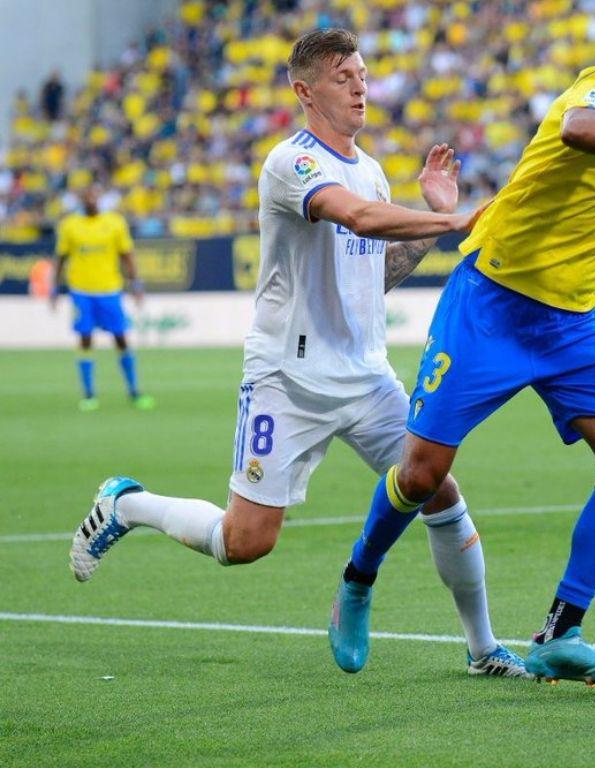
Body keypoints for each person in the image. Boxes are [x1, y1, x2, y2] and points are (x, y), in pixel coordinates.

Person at [69, 28, 528, 679]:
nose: (361, 85)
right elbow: (359, 219)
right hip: (287, 380)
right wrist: (456, 222)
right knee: (245, 542)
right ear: (304, 90)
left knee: (438, 491)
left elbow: (374, 272)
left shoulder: (369, 169)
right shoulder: (292, 163)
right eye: (344, 76)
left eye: (364, 74)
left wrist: (431, 222)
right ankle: (128, 504)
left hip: (367, 379)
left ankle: (484, 649)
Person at [330, 30, 595, 686]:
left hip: (571, 323)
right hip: (491, 304)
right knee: (420, 475)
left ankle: (561, 633)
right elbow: (579, 130)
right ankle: (357, 581)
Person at [51, 186, 154, 411]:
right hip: (81, 291)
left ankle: (134, 391)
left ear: (99, 198)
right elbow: (60, 257)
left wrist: (136, 284)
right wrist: (54, 287)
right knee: (85, 338)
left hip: (110, 290)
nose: (90, 199)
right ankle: (89, 394)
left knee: (120, 338)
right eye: (86, 196)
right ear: (81, 200)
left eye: (93, 195)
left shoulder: (115, 222)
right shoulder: (70, 225)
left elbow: (127, 255)